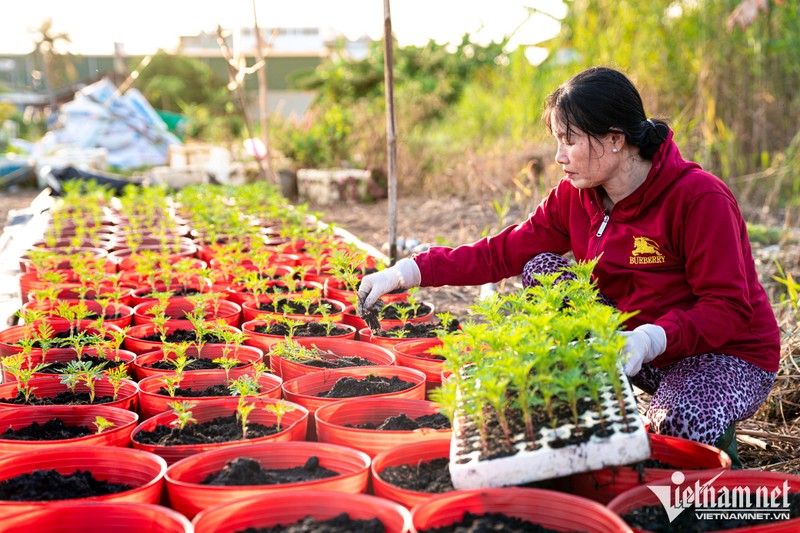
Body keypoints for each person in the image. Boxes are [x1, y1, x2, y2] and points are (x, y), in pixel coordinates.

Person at [357, 66, 780, 461]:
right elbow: (504, 252)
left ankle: (717, 447)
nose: (559, 157)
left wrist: (651, 339)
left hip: (724, 353)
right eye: (557, 140)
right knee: (541, 267)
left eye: (570, 140)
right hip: (634, 346)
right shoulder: (576, 196)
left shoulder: (698, 199)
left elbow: (729, 307)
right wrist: (408, 271)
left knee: (680, 422)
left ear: (615, 139)